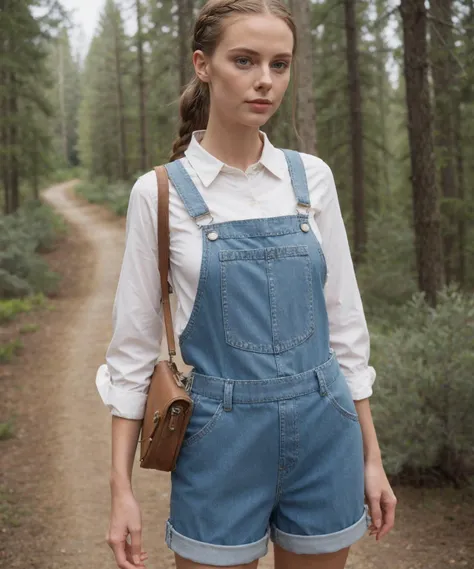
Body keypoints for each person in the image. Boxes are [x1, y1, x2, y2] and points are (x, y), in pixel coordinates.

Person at [95, 1, 397, 568]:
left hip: (325, 430)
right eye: (244, 60)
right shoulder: (159, 195)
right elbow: (133, 353)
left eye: (280, 64)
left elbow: (345, 327)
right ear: (202, 65)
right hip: (218, 441)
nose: (265, 80)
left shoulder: (312, 180)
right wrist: (121, 489)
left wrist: (371, 456)